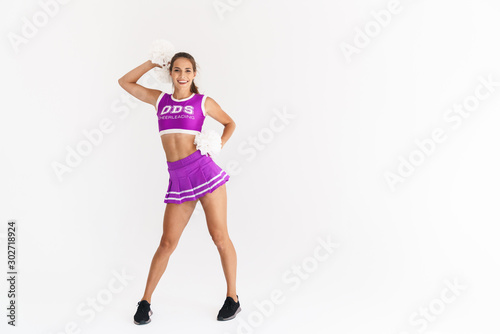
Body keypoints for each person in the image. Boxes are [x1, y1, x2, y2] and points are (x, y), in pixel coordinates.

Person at [118, 52, 240, 324]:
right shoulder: (160, 100)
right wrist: (152, 62)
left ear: (194, 74)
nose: (182, 75)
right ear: (170, 73)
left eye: (187, 70)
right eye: (177, 70)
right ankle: (145, 301)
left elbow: (230, 123)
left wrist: (217, 144)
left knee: (220, 237)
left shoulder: (203, 102)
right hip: (178, 179)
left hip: (203, 172)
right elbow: (125, 82)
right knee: (167, 243)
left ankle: (232, 297)